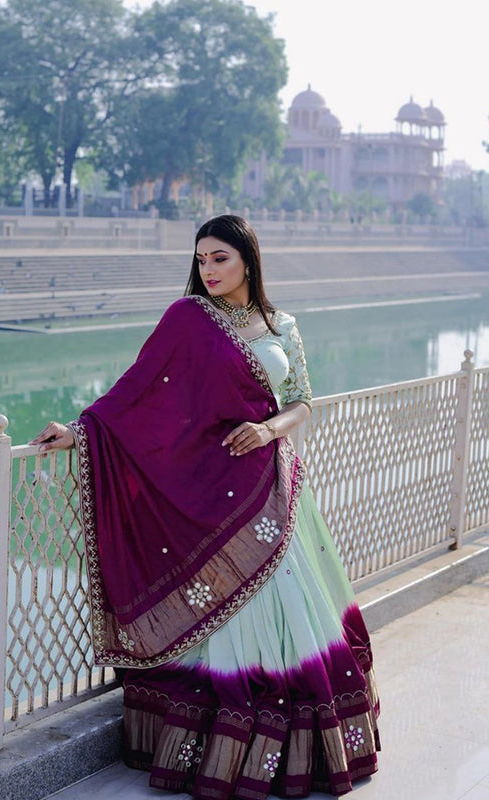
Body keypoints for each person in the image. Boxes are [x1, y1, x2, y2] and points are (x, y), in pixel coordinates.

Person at [31, 215, 380, 799]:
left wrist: (270, 432)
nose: (208, 270)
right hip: (207, 489)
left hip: (270, 487)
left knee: (289, 611)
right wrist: (78, 431)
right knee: (219, 616)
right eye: (201, 259)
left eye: (219, 257)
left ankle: (300, 750)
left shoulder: (280, 325)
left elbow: (300, 404)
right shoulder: (187, 319)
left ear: (248, 257)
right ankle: (214, 746)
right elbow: (138, 391)